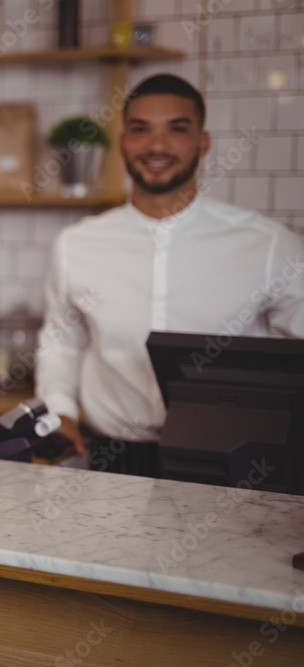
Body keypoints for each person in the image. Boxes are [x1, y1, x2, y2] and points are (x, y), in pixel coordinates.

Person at [35, 73, 304, 477]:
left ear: (203, 142)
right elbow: (61, 341)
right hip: (112, 458)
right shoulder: (76, 243)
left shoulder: (267, 245)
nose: (156, 146)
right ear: (123, 141)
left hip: (234, 458)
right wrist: (61, 411)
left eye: (176, 130)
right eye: (140, 130)